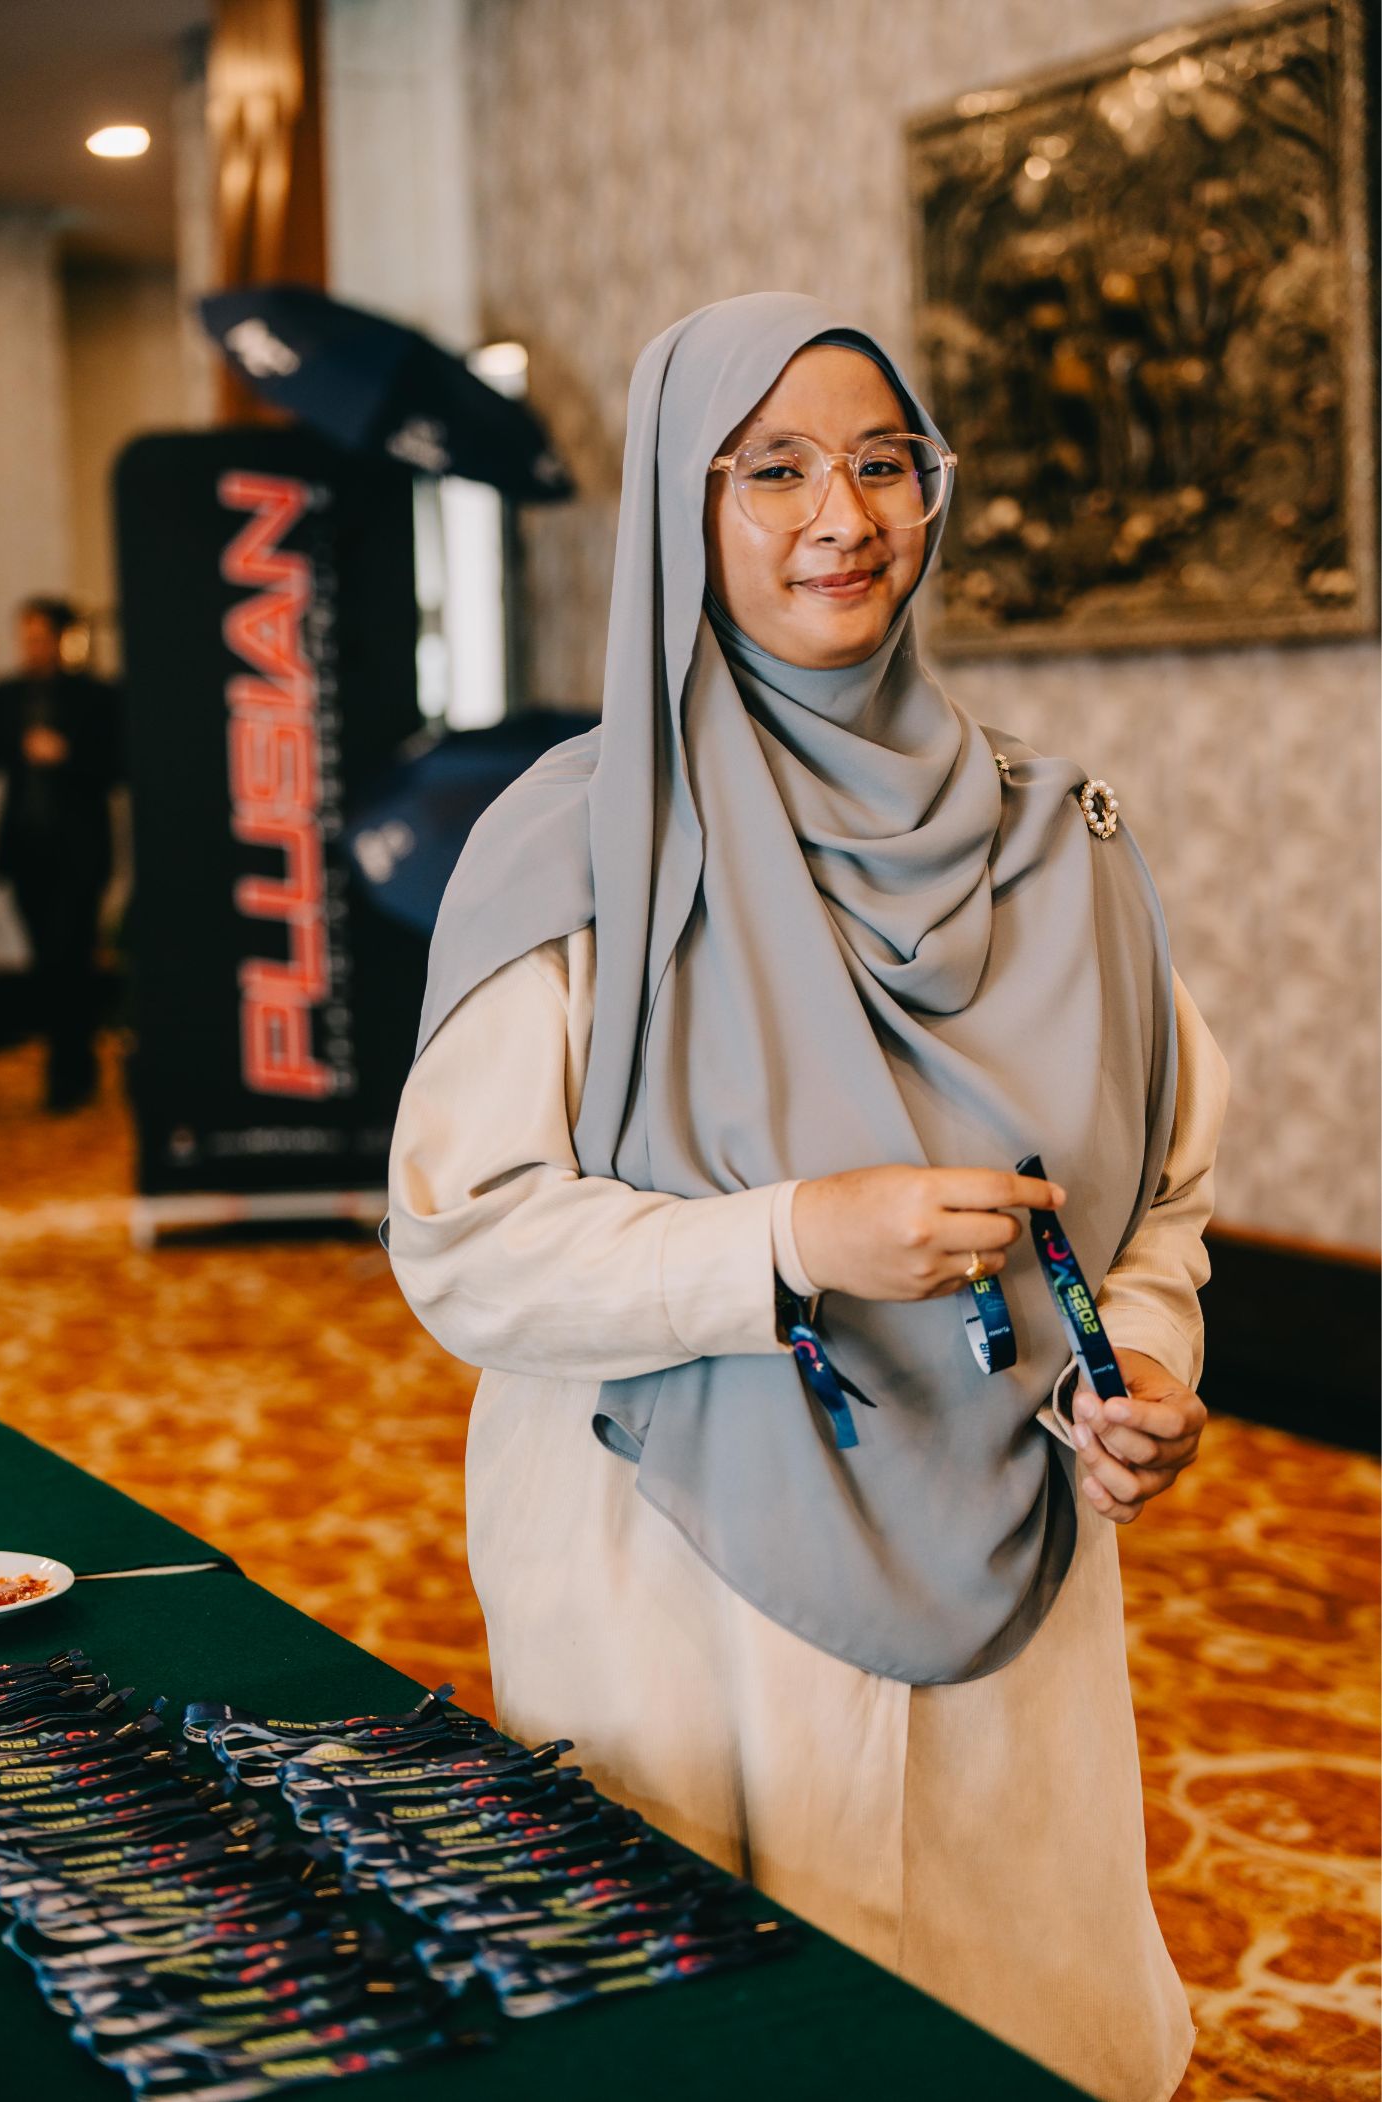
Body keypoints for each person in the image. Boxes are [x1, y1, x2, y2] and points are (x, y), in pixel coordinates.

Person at [386, 294, 1229, 2102]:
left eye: (880, 462)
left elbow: (1159, 1185)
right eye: (768, 470)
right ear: (679, 512)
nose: (838, 517)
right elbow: (464, 1242)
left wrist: (1143, 1358)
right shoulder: (579, 838)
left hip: (1006, 1564)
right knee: (728, 2041)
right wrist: (783, 1240)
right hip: (673, 1563)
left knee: (1004, 2016)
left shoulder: (1054, 837)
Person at [0, 598, 123, 1110]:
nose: (32, 648)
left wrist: (68, 756)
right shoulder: (7, 696)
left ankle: (72, 1072)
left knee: (71, 958)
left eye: (40, 638)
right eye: (27, 638)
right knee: (46, 961)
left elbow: (119, 767)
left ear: (63, 639)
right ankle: (64, 1069)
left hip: (79, 853)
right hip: (25, 852)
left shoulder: (96, 698)